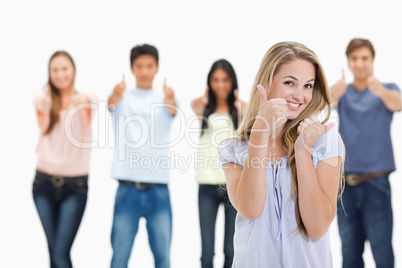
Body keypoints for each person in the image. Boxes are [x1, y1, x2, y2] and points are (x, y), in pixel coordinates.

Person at [218, 41, 345, 267]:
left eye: (308, 85)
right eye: (289, 83)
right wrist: (259, 133)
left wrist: (303, 152)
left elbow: (316, 227)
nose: (300, 96)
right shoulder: (234, 149)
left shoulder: (324, 141)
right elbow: (250, 208)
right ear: (267, 83)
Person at [331, 38, 401, 268]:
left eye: (364, 58)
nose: (359, 64)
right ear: (348, 62)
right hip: (345, 185)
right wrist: (334, 93)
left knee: (382, 253)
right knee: (349, 254)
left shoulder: (386, 89)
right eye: (354, 58)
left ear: (372, 61)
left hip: (376, 184)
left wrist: (379, 90)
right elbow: (319, 107)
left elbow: (398, 104)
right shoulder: (343, 92)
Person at [108, 44, 179, 268]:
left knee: (163, 259)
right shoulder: (121, 97)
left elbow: (172, 110)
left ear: (157, 67)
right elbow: (111, 105)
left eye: (149, 65)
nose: (144, 71)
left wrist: (171, 98)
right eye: (139, 66)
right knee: (119, 258)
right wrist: (115, 94)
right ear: (132, 68)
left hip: (158, 190)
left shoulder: (165, 97)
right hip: (127, 188)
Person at [32, 51, 95, 268]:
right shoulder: (45, 101)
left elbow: (91, 101)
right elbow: (40, 112)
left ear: (74, 70)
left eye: (64, 69)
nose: (60, 74)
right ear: (49, 73)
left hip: (75, 187)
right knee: (54, 251)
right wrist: (43, 103)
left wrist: (82, 101)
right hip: (43, 184)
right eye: (55, 70)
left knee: (60, 253)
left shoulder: (85, 99)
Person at [191, 59, 247, 268]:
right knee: (207, 251)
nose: (220, 85)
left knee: (231, 250)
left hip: (233, 186)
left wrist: (245, 113)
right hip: (206, 186)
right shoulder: (201, 107)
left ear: (232, 82)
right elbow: (194, 104)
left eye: (225, 80)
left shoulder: (242, 109)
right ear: (209, 82)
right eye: (215, 80)